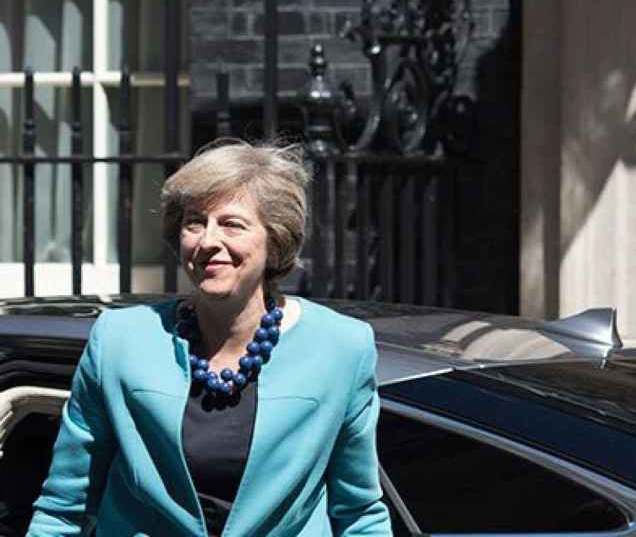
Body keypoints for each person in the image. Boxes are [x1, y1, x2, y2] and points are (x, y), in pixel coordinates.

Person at [27, 140, 392, 536]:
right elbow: (65, 507)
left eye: (232, 224)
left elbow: (358, 514)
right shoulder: (119, 341)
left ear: (275, 239)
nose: (207, 242)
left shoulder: (340, 348)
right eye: (194, 222)